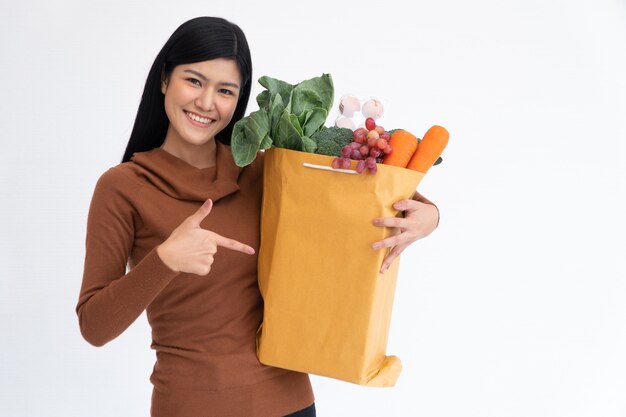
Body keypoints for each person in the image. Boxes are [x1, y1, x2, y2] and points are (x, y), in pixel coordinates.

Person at [75, 16, 440, 417]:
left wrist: (430, 217)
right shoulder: (123, 187)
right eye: (194, 81)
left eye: (225, 90)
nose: (207, 102)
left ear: (239, 99)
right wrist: (164, 261)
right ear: (164, 79)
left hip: (291, 404)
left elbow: (376, 192)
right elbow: (94, 327)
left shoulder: (267, 169)